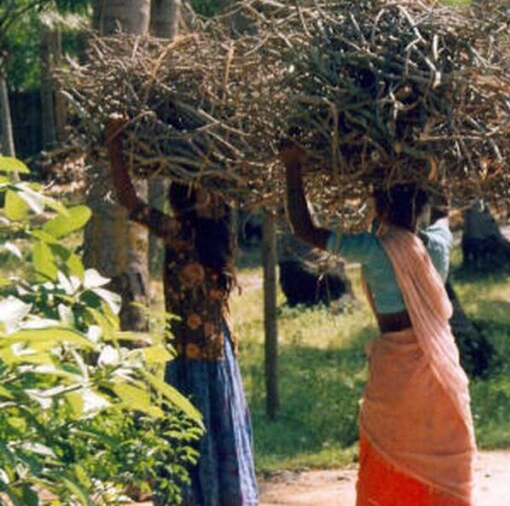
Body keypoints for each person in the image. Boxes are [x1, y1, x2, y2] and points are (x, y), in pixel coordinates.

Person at [279, 142, 475, 506]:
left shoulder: (373, 248)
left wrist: (293, 166)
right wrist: (436, 157)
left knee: (390, 457)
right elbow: (443, 209)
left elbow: (304, 229)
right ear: (420, 206)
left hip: (395, 378)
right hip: (441, 372)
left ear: (379, 206)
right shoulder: (436, 244)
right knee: (443, 461)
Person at [106, 119, 259, 506]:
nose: (210, 200)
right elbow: (129, 199)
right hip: (189, 356)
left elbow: (129, 200)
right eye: (201, 192)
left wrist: (114, 141)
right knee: (191, 436)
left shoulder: (219, 238)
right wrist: (115, 142)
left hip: (215, 358)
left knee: (214, 433)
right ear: (185, 198)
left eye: (215, 195)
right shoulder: (181, 232)